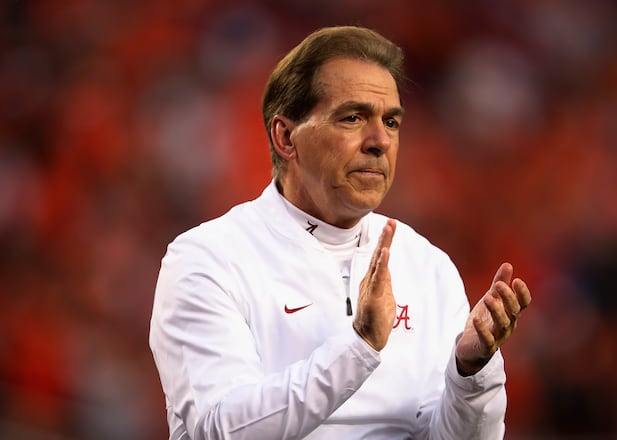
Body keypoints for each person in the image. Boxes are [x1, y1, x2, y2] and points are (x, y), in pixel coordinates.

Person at [149, 25, 532, 439]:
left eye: (391, 121)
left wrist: (470, 374)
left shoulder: (427, 267)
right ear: (286, 137)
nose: (380, 141)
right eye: (352, 117)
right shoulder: (207, 259)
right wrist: (358, 348)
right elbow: (220, 429)